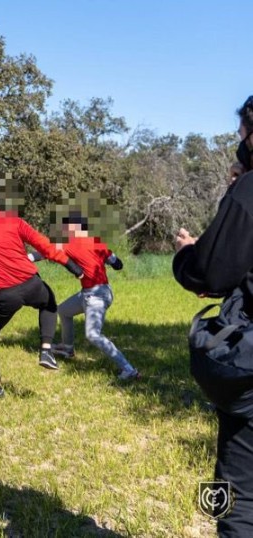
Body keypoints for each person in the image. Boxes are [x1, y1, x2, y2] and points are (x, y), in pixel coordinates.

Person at [173, 95, 253, 536]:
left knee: (236, 497)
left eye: (242, 136)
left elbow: (211, 273)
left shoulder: (248, 190)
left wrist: (187, 253)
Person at [0, 190, 83, 398]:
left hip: (5, 295)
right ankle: (46, 349)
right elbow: (46, 247)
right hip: (32, 284)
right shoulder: (12, 221)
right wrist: (73, 267)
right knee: (48, 302)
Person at [48, 213, 139, 380]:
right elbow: (117, 263)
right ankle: (68, 348)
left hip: (95, 297)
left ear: (74, 227)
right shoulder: (96, 241)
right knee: (64, 311)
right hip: (98, 292)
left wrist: (27, 258)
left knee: (93, 335)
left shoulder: (70, 243)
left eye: (65, 226)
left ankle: (129, 369)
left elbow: (46, 251)